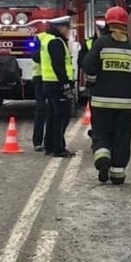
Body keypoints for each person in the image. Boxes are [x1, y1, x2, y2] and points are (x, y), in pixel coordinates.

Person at [80, 6, 131, 184]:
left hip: (101, 101)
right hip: (125, 103)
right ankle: (118, 174)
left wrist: (94, 79)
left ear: (108, 23)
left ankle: (102, 156)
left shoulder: (101, 43)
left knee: (101, 133)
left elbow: (87, 65)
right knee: (122, 137)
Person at [38, 14, 76, 158]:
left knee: (52, 116)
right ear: (60, 27)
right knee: (61, 117)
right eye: (67, 28)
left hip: (48, 82)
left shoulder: (46, 39)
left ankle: (49, 146)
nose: (68, 31)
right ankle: (58, 148)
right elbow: (58, 65)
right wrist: (65, 83)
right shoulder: (56, 42)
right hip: (57, 83)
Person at [30, 34, 46, 151]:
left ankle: (43, 142)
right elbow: (35, 57)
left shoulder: (40, 38)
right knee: (42, 110)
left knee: (45, 111)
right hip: (42, 77)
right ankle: (38, 142)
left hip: (44, 77)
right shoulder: (41, 38)